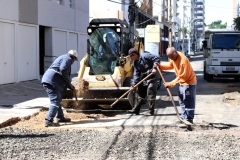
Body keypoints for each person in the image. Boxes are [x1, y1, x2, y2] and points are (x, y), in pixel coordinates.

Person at [154, 47, 197, 125]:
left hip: (188, 83)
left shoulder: (183, 61)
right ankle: (184, 118)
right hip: (182, 83)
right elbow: (170, 66)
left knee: (188, 102)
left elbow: (182, 76)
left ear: (175, 52)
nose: (171, 59)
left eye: (172, 57)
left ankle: (189, 120)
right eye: (170, 57)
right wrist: (160, 66)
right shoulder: (173, 58)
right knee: (182, 101)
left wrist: (170, 84)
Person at [41, 50, 78, 127]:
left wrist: (71, 87)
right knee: (55, 101)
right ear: (73, 58)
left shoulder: (63, 57)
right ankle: (48, 120)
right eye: (74, 60)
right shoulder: (68, 59)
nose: (74, 62)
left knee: (58, 100)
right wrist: (69, 81)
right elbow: (63, 70)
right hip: (52, 81)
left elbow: (63, 75)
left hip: (52, 81)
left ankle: (60, 117)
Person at [127, 48, 160, 116]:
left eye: (131, 56)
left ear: (135, 54)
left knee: (150, 91)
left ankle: (151, 111)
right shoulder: (136, 63)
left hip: (153, 76)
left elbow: (157, 58)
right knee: (140, 91)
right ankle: (136, 109)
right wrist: (134, 85)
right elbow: (136, 74)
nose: (130, 58)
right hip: (145, 76)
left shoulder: (145, 56)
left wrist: (154, 68)